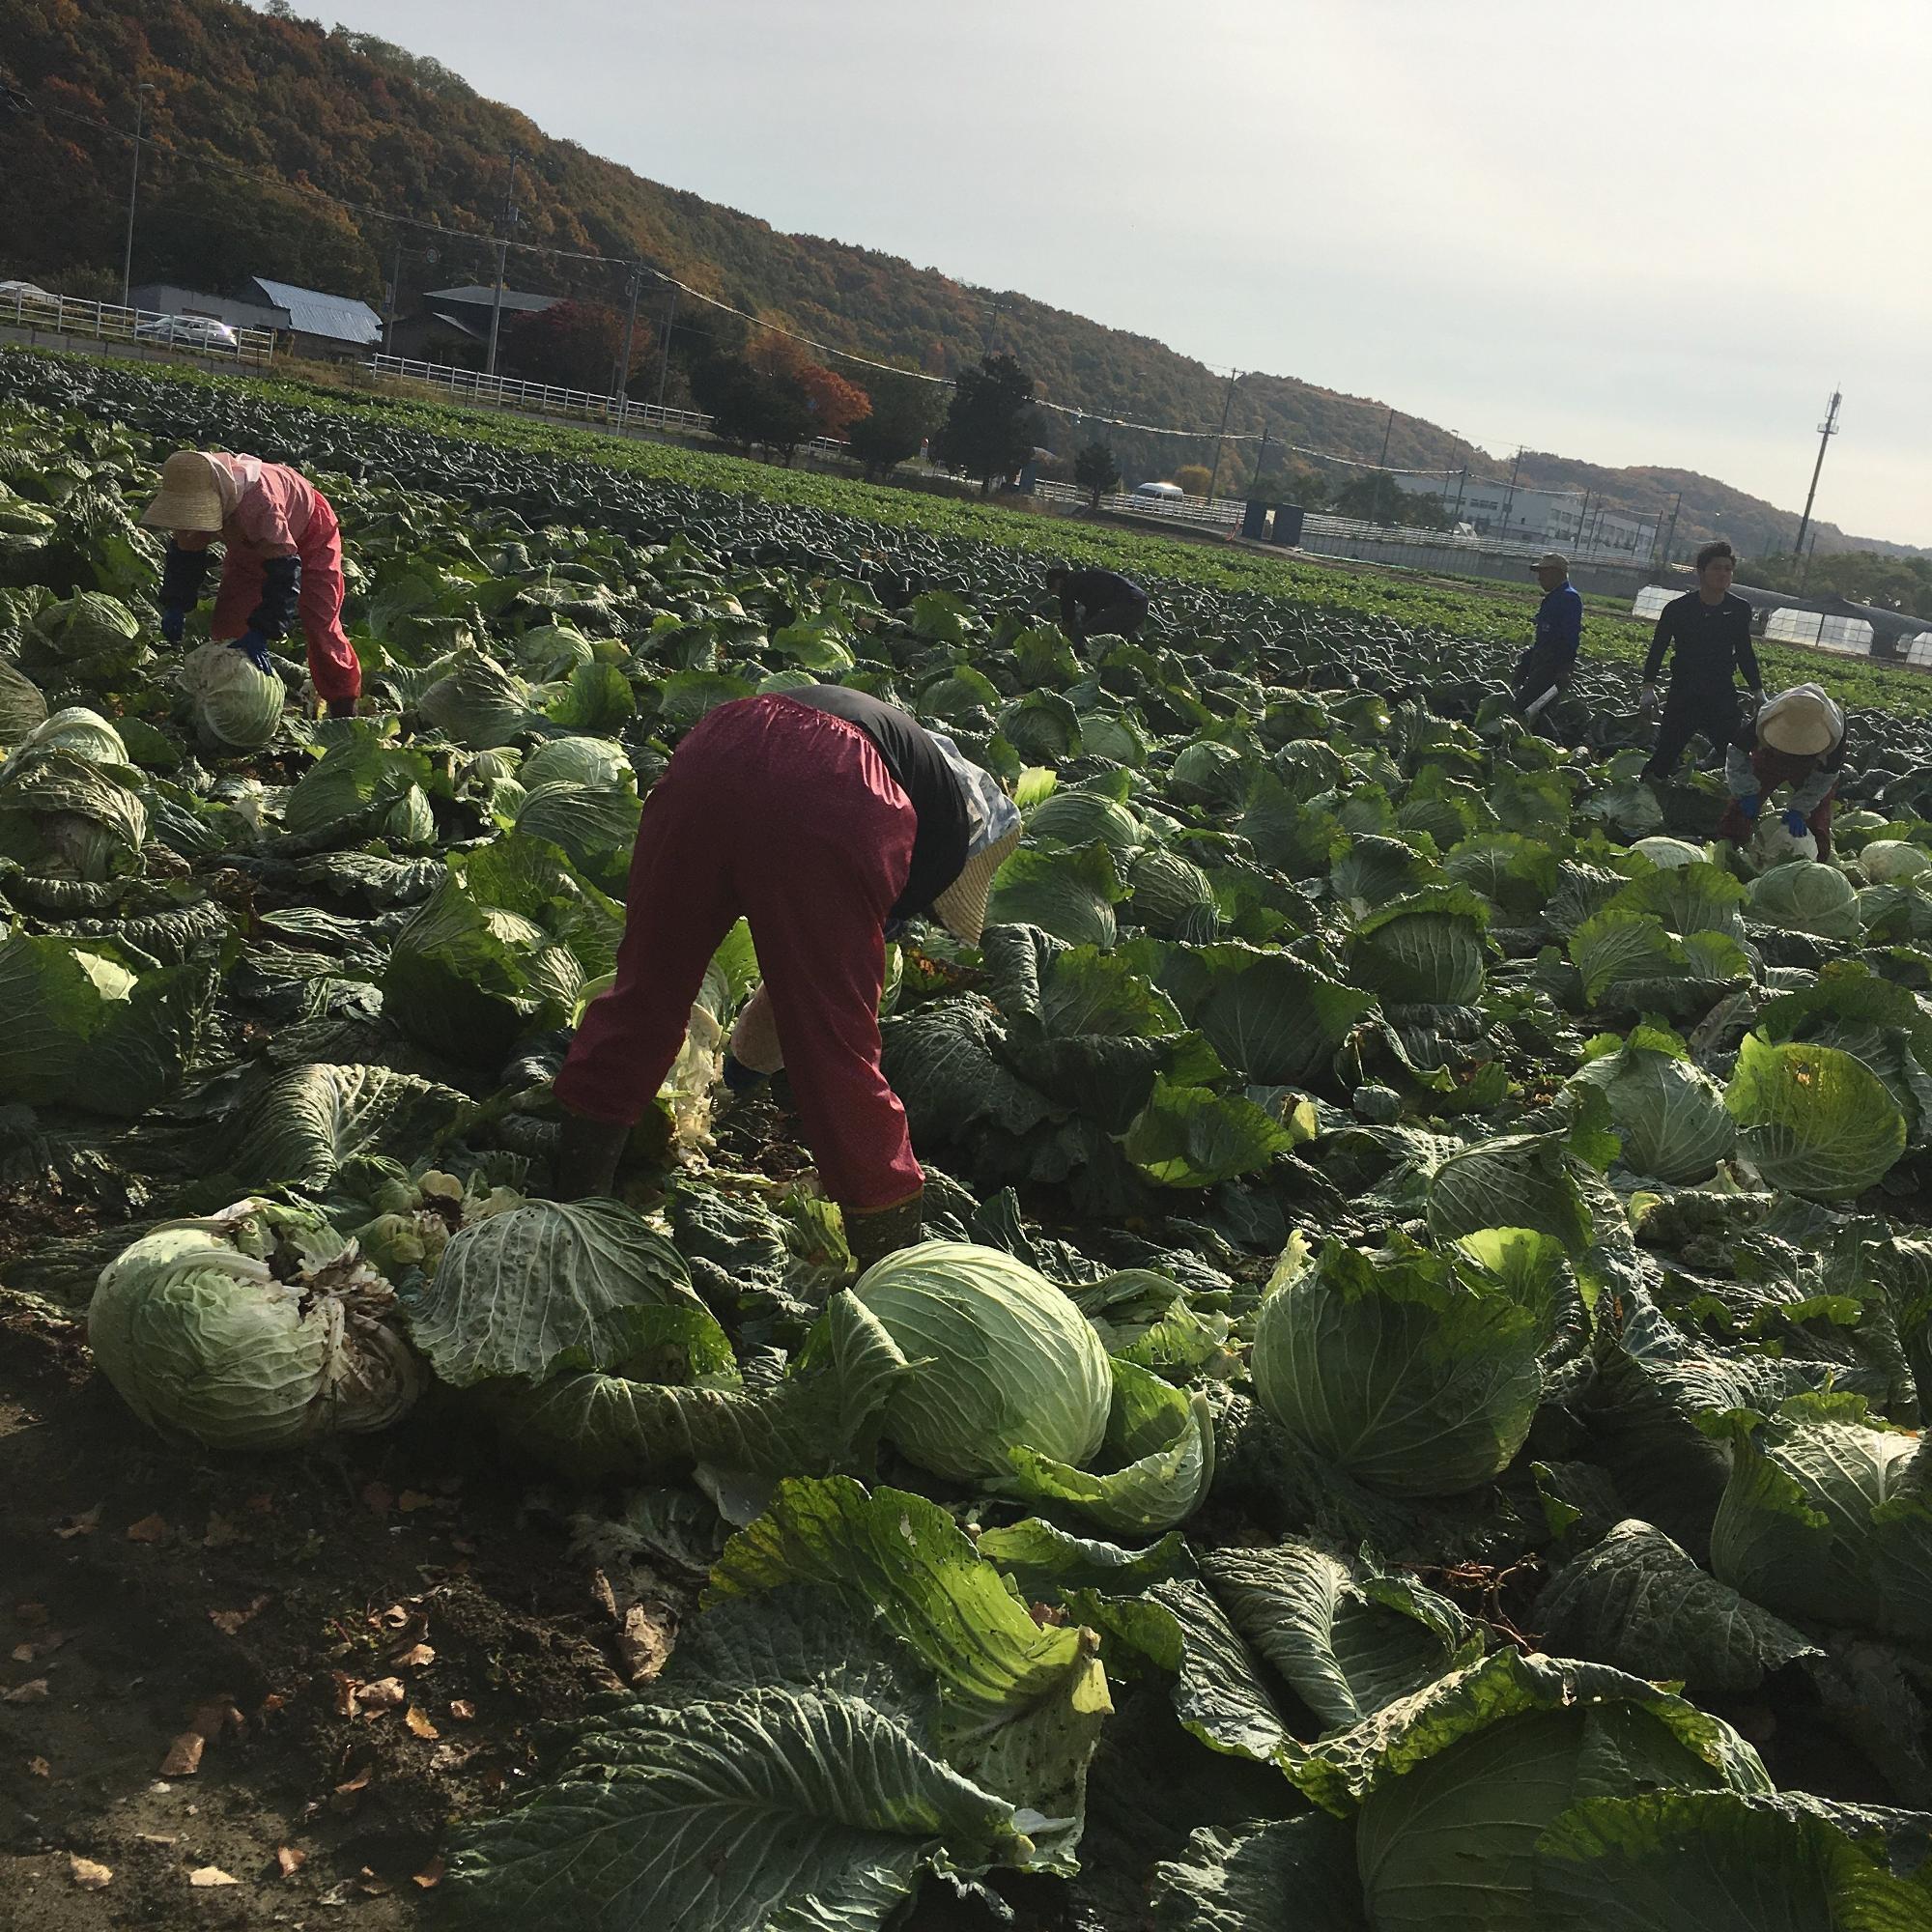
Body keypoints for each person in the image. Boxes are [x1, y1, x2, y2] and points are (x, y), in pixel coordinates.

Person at [551, 686, 1023, 1268]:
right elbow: (814, 994)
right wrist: (744, 1078)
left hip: (719, 741)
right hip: (838, 782)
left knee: (649, 983)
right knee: (838, 1045)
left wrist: (736, 1085)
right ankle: (890, 1252)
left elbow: (784, 987)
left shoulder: (906, 749)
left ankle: (569, 1191)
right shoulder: (941, 842)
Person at [140, 449, 362, 717]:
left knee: (320, 622)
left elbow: (285, 572)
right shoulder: (197, 498)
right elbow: (185, 556)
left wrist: (263, 630)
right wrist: (175, 603)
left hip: (309, 533)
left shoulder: (259, 504)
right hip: (249, 546)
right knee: (229, 622)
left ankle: (343, 706)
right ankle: (233, 702)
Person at [1639, 539, 1762, 782]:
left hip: (1720, 693)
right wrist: (1648, 687)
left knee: (1735, 754)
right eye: (1717, 568)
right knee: (1666, 754)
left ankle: (1741, 808)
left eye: (1728, 569)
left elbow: (1745, 652)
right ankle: (1641, 796)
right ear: (1701, 571)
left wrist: (1757, 690)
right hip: (1684, 692)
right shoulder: (1678, 609)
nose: (1723, 574)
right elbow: (1657, 649)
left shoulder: (1739, 609)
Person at [1717, 683, 1848, 858]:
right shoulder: (1768, 715)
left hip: (1811, 767)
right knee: (1738, 813)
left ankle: (1816, 862)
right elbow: (1737, 753)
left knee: (1817, 821)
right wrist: (1745, 791)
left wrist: (1799, 810)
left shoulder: (1836, 729)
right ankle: (1729, 852)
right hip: (1771, 759)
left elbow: (1825, 778)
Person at [1512, 551, 1583, 724]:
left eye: (1543, 573)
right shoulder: (1554, 597)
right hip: (1542, 661)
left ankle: (1552, 745)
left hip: (1553, 667)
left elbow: (1570, 637)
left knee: (1530, 711)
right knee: (1534, 713)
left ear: (1556, 573)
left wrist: (1565, 668)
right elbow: (1544, 638)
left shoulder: (1569, 598)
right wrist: (1527, 660)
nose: (1539, 578)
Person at [1045, 564, 1149, 643]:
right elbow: (1093, 609)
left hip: (1127, 604)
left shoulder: (1067, 585)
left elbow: (1068, 619)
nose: (1056, 594)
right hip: (1142, 603)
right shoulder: (1085, 578)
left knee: (1085, 638)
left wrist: (1063, 642)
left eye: (1054, 591)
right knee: (1118, 640)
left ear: (1058, 582)